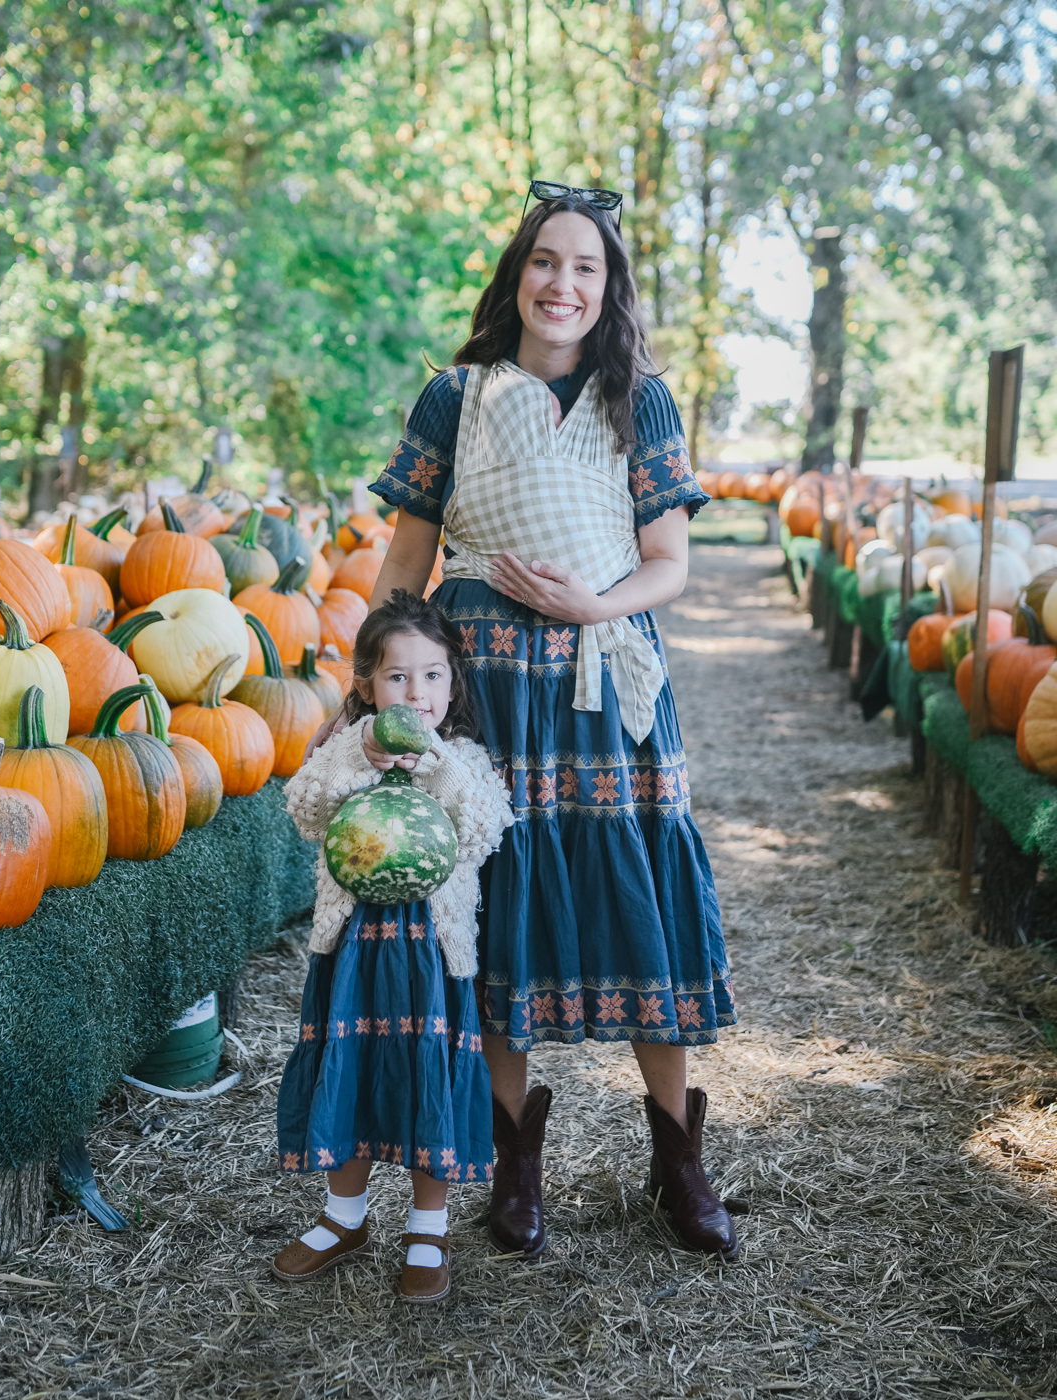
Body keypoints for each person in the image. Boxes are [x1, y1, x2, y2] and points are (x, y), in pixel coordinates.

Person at [364, 185, 738, 1260]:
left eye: (585, 267)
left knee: (638, 895)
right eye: (544, 261)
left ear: (608, 288)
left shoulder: (639, 400)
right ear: (515, 275)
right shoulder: (456, 396)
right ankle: (512, 1159)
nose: (561, 283)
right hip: (485, 681)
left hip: (604, 676)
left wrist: (592, 602)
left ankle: (676, 1156)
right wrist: (382, 687)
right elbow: (405, 560)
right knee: (496, 896)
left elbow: (668, 560)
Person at [273, 590, 513, 1303]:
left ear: (452, 682)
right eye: (398, 677)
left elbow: (483, 830)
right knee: (351, 1070)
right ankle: (343, 1218)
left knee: (426, 1081)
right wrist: (362, 758)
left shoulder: (462, 757)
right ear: (367, 685)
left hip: (432, 957)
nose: (418, 691)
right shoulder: (346, 747)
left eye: (433, 675)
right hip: (355, 951)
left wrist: (431, 761)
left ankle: (427, 1228)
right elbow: (307, 811)